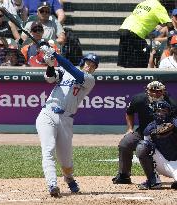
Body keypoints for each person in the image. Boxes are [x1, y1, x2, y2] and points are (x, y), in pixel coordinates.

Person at [36, 45, 99, 197]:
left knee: (66, 159)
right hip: (48, 114)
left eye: (93, 65)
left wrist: (56, 56)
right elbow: (50, 78)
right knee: (48, 150)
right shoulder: (63, 72)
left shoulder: (89, 80)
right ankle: (52, 185)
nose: (89, 66)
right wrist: (50, 65)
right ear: (82, 62)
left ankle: (69, 178)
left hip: (66, 119)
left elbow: (72, 69)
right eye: (87, 63)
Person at [112, 80, 177, 184]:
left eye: (159, 91)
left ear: (164, 91)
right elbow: (129, 112)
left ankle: (157, 177)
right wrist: (130, 129)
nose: (156, 93)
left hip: (165, 136)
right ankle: (124, 175)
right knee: (125, 144)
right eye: (152, 91)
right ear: (147, 91)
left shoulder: (172, 103)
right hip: (144, 132)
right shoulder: (139, 99)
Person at [117, 0, 172, 68]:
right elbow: (169, 24)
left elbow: (143, 19)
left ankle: (128, 76)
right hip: (134, 33)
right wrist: (172, 35)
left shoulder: (144, 3)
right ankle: (142, 76)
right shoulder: (159, 7)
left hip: (124, 30)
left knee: (128, 61)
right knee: (143, 55)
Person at [136, 100, 177, 190]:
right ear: (154, 112)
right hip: (162, 162)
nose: (161, 113)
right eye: (158, 111)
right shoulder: (150, 128)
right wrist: (155, 134)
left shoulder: (174, 122)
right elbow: (146, 148)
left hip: (175, 163)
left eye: (164, 111)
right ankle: (153, 180)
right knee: (142, 146)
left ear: (169, 112)